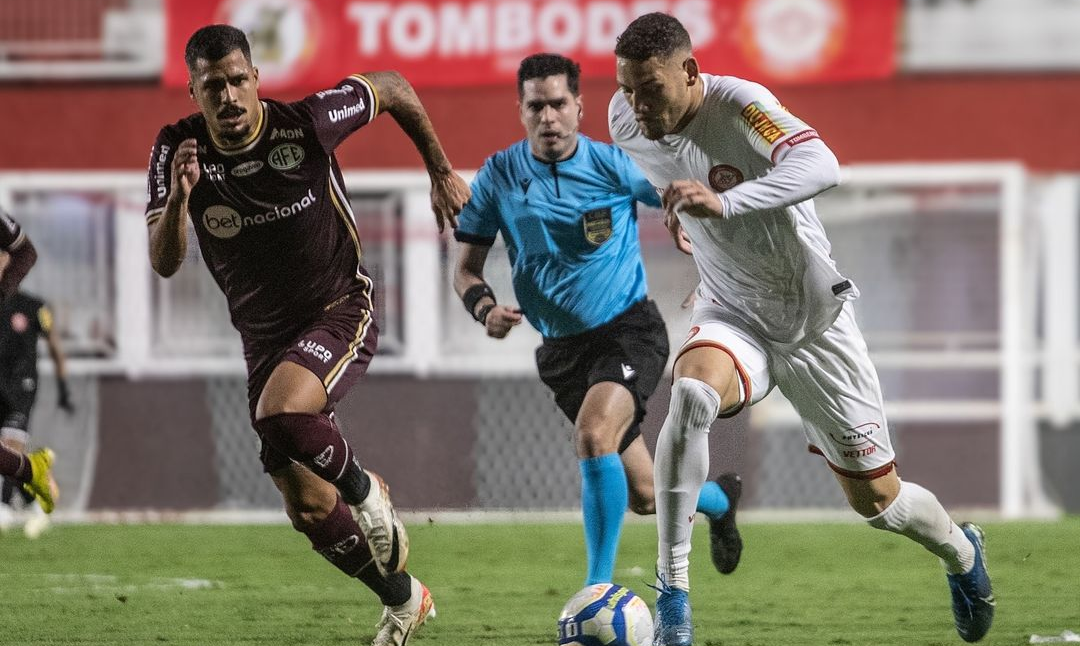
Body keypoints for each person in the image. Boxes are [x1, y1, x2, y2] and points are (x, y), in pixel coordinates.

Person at [608, 13, 994, 646]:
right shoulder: (626, 124)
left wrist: (724, 204)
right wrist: (690, 227)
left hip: (816, 325)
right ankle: (673, 599)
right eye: (625, 87)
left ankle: (961, 552)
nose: (635, 104)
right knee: (694, 390)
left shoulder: (742, 106)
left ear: (691, 73)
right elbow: (670, 185)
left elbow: (822, 164)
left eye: (649, 88)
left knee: (880, 504)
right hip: (733, 315)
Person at [145, 25, 469, 646]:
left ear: (257, 79)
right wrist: (182, 202)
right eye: (214, 87)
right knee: (310, 509)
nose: (230, 97)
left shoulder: (306, 123)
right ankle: (404, 600)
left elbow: (395, 87)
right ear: (194, 92)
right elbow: (163, 261)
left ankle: (369, 493)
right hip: (263, 340)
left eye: (239, 80)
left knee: (280, 411)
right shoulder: (176, 148)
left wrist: (440, 170)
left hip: (340, 306)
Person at [453, 53, 743, 588]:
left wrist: (697, 241)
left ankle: (596, 591)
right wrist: (486, 309)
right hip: (562, 351)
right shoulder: (497, 177)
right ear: (520, 111)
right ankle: (721, 501)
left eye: (558, 104)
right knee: (646, 495)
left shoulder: (612, 165)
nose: (548, 117)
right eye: (536, 106)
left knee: (592, 435)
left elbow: (677, 199)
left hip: (628, 330)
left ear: (579, 107)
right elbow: (466, 270)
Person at [0, 288, 74, 537]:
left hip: (23, 384)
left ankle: (4, 505)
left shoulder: (34, 306)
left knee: (12, 443)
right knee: (6, 452)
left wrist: (63, 386)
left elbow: (54, 344)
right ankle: (35, 500)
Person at [0, 209, 58, 517]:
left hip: (22, 379)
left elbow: (25, 252)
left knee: (13, 435)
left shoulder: (32, 306)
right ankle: (29, 471)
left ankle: (16, 490)